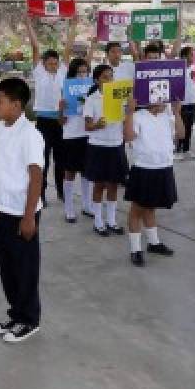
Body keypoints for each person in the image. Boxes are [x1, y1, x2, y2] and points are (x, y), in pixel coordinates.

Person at [0, 77, 46, 344]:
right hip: (2, 209)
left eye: (0, 101)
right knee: (7, 267)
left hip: (22, 212)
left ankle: (29, 319)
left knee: (25, 268)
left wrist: (28, 216)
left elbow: (36, 177)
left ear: (17, 104)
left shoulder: (30, 135)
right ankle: (16, 312)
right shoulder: (0, 128)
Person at [122, 97, 183, 267]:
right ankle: (135, 249)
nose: (162, 103)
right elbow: (127, 137)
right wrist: (129, 113)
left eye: (164, 100)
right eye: (158, 100)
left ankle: (153, 243)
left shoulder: (167, 116)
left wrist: (177, 112)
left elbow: (181, 134)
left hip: (164, 167)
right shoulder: (139, 116)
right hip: (143, 168)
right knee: (137, 209)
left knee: (151, 206)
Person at [27, 17, 75, 207]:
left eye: (56, 63)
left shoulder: (63, 71)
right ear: (44, 63)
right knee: (43, 159)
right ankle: (41, 194)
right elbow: (35, 47)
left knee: (61, 160)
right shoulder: (38, 72)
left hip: (61, 121)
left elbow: (68, 49)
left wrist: (73, 25)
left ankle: (62, 192)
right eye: (50, 63)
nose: (53, 66)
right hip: (44, 121)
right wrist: (29, 23)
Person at [83, 64, 127, 236]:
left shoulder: (120, 97)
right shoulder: (92, 99)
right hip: (98, 146)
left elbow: (126, 118)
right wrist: (96, 125)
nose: (109, 80)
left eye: (111, 76)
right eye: (105, 77)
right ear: (97, 80)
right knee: (99, 185)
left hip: (116, 145)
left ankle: (111, 220)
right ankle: (98, 221)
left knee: (113, 185)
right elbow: (87, 125)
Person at [58, 57, 93, 224]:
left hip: (88, 134)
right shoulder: (65, 89)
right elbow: (61, 121)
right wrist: (60, 109)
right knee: (70, 172)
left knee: (87, 172)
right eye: (79, 72)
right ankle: (69, 209)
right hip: (71, 135)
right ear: (72, 74)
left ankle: (87, 206)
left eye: (85, 71)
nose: (82, 75)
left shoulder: (93, 89)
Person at [175, 46, 195, 160]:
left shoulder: (194, 69)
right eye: (191, 54)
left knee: (189, 126)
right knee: (181, 126)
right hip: (181, 103)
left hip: (192, 102)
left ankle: (186, 149)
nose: (193, 57)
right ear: (184, 56)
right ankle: (178, 149)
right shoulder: (179, 69)